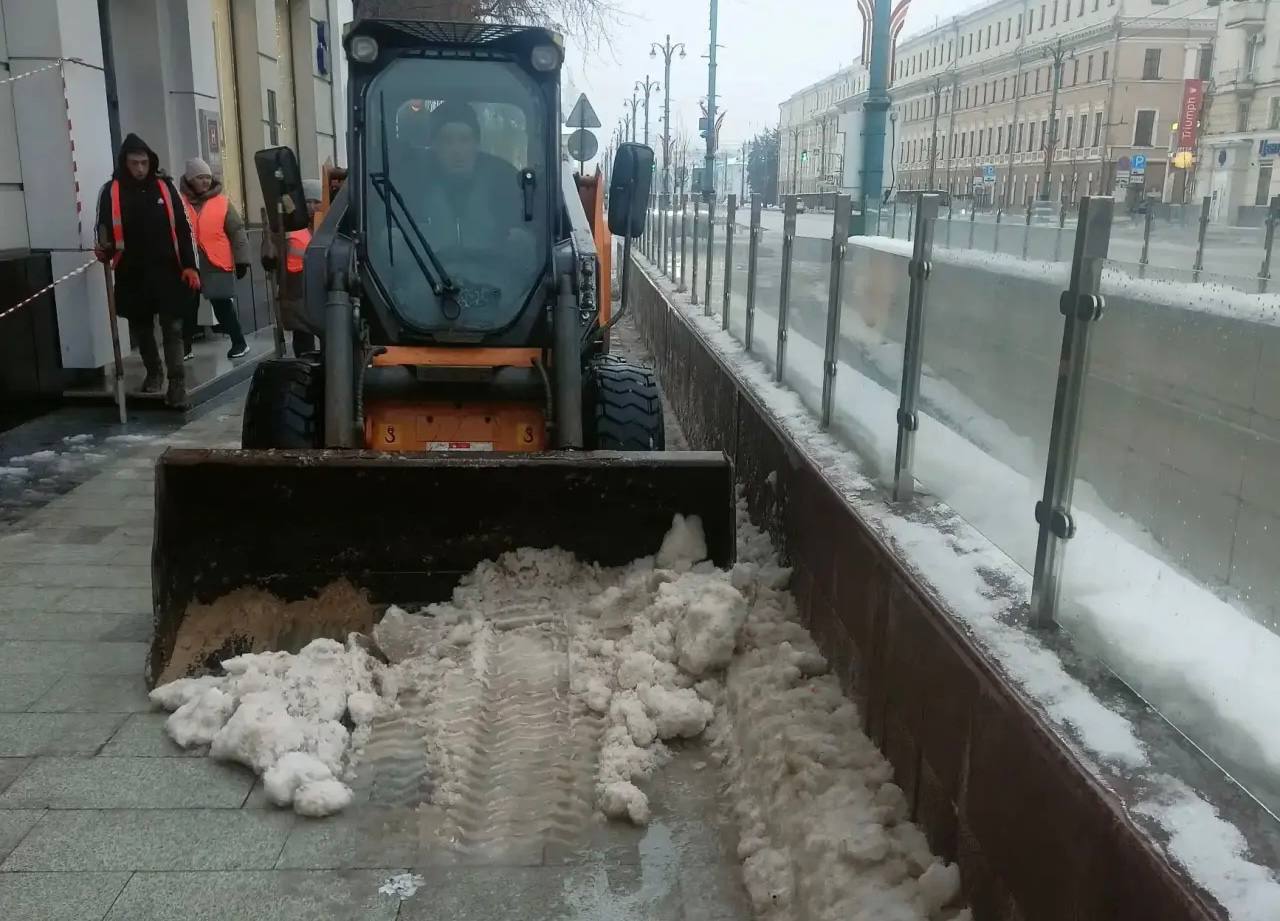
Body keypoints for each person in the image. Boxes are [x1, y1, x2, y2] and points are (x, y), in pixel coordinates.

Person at [94, 133, 200, 408]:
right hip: (132, 272)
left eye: (144, 163)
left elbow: (183, 228)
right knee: (141, 328)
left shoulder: (164, 188)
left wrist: (190, 265)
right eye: (134, 163)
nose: (140, 168)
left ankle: (177, 384)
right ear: (124, 162)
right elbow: (103, 228)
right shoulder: (111, 191)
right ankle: (154, 373)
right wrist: (104, 249)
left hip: (168, 270)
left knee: (172, 327)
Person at [179, 158, 252, 361]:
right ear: (190, 179)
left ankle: (239, 343)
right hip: (188, 263)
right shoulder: (179, 201)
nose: (205, 181)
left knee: (222, 306)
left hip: (216, 262)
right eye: (200, 177)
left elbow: (237, 231)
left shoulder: (222, 202)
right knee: (186, 307)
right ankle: (185, 347)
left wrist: (242, 260)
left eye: (208, 177)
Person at [261, 179, 322, 357]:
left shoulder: (328, 224)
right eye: (307, 202)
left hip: (320, 288)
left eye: (316, 202)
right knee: (303, 338)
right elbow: (269, 259)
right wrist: (269, 237)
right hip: (296, 291)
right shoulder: (287, 227)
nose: (311, 206)